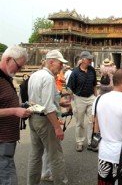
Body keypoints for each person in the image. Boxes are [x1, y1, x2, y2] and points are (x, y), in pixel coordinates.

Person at [27, 49, 70, 185]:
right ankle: (60, 182)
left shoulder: (35, 75)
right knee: (56, 155)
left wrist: (59, 102)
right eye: (60, 63)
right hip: (45, 119)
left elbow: (38, 99)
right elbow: (48, 107)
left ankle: (32, 182)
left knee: (35, 154)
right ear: (51, 62)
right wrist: (57, 127)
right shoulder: (48, 78)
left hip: (33, 117)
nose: (61, 66)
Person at [0, 45, 31, 184]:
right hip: (2, 139)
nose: (20, 70)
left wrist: (23, 107)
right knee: (8, 177)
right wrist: (14, 111)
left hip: (8, 138)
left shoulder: (6, 78)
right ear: (8, 60)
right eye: (18, 66)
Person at [67, 51, 98, 152]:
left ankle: (90, 142)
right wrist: (71, 100)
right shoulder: (75, 72)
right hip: (79, 98)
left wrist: (96, 97)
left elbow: (94, 84)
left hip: (90, 97)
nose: (90, 60)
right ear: (83, 59)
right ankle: (79, 142)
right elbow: (70, 88)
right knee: (80, 122)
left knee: (91, 121)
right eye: (89, 59)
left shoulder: (92, 70)